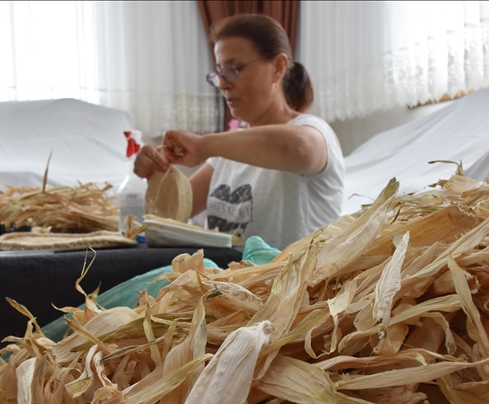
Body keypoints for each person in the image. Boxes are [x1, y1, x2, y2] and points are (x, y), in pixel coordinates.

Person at [134, 14, 344, 249]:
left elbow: (299, 148)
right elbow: (175, 213)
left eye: (233, 69)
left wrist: (203, 145)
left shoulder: (314, 131)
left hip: (286, 285)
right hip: (229, 283)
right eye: (219, 72)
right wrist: (156, 173)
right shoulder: (226, 150)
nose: (223, 84)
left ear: (278, 67)